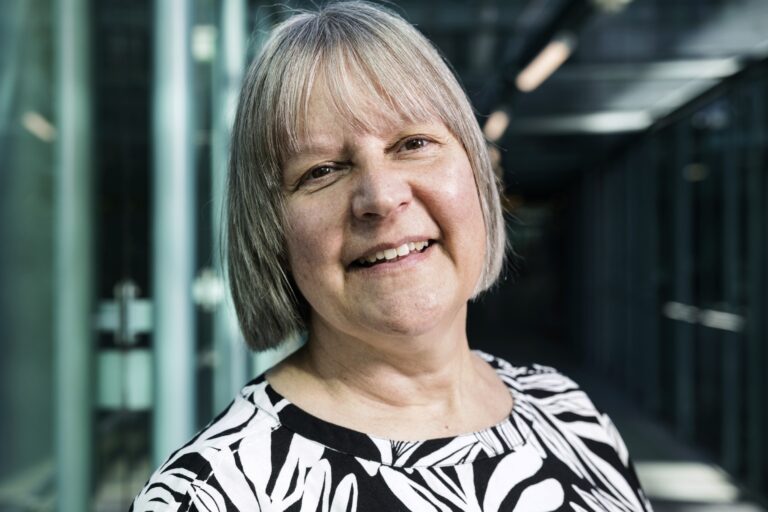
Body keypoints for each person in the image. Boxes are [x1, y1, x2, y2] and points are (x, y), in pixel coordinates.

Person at [131, 2, 652, 510]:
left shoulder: (567, 410)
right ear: (271, 231)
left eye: (413, 143)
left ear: (476, 172)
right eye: (322, 171)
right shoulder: (209, 494)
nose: (380, 197)